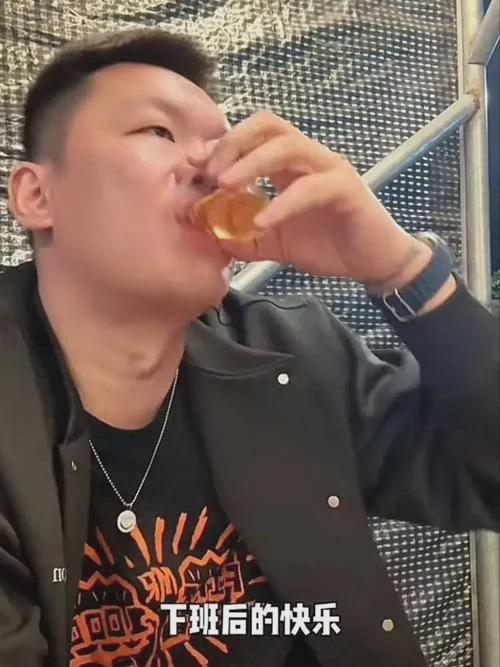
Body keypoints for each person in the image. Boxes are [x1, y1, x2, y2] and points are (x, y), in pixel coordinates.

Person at [0, 27, 498, 667]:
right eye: (158, 131)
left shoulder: (292, 359)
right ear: (37, 196)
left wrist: (399, 267)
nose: (214, 170)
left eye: (221, 146)